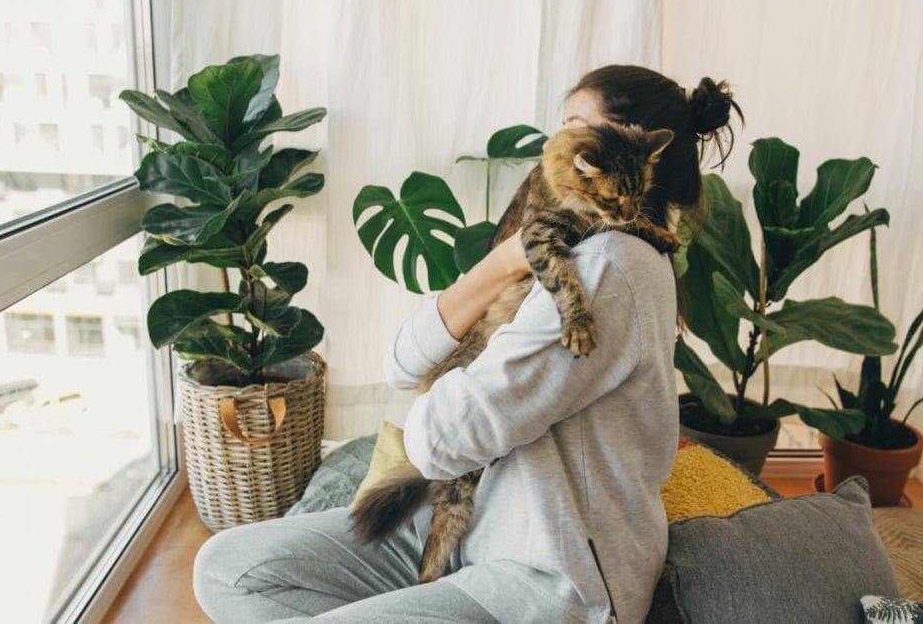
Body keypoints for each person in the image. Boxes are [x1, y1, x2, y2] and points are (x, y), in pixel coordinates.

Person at [192, 65, 742, 623]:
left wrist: (450, 399)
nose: (555, 143)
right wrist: (503, 261)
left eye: (575, 126)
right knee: (228, 567)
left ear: (625, 151)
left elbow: (442, 441)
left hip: (547, 577)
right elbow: (403, 364)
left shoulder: (609, 268)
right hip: (469, 528)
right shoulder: (559, 245)